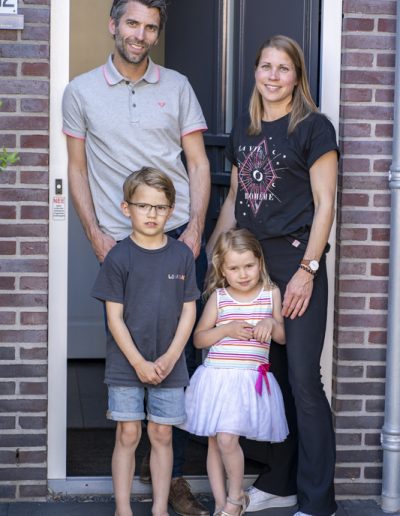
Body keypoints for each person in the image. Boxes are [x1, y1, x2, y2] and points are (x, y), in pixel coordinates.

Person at [63, 1, 210, 513]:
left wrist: (194, 232)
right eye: (132, 23)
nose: (140, 35)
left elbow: (196, 161)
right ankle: (134, 470)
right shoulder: (80, 91)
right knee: (127, 356)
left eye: (150, 27)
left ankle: (169, 482)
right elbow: (77, 169)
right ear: (114, 25)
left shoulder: (178, 87)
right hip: (120, 244)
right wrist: (97, 238)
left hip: (177, 241)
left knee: (179, 359)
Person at [207, 35, 339, 516]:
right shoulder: (247, 130)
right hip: (253, 270)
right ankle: (281, 482)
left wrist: (308, 270)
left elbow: (326, 204)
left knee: (304, 379)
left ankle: (318, 499)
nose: (273, 76)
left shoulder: (314, 128)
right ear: (256, 72)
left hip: (296, 261)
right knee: (273, 378)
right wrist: (216, 255)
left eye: (284, 68)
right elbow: (234, 200)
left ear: (297, 76)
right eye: (266, 67)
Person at [91, 167, 200, 516]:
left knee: (162, 435)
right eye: (143, 206)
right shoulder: (118, 258)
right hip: (127, 364)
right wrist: (138, 362)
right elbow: (114, 318)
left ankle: (158, 509)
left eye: (160, 207)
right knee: (127, 434)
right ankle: (123, 508)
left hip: (170, 361)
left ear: (171, 211)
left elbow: (188, 312)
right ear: (127, 209)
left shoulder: (182, 255)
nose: (152, 214)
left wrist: (171, 356)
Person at [181, 228, 288, 516]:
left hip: (248, 378)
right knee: (215, 443)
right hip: (217, 377)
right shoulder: (220, 297)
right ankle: (221, 504)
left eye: (249, 266)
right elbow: (199, 339)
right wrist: (226, 329)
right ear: (222, 269)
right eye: (234, 268)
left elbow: (281, 336)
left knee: (228, 439)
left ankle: (235, 498)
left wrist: (270, 323)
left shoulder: (270, 293)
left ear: (259, 263)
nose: (243, 274)